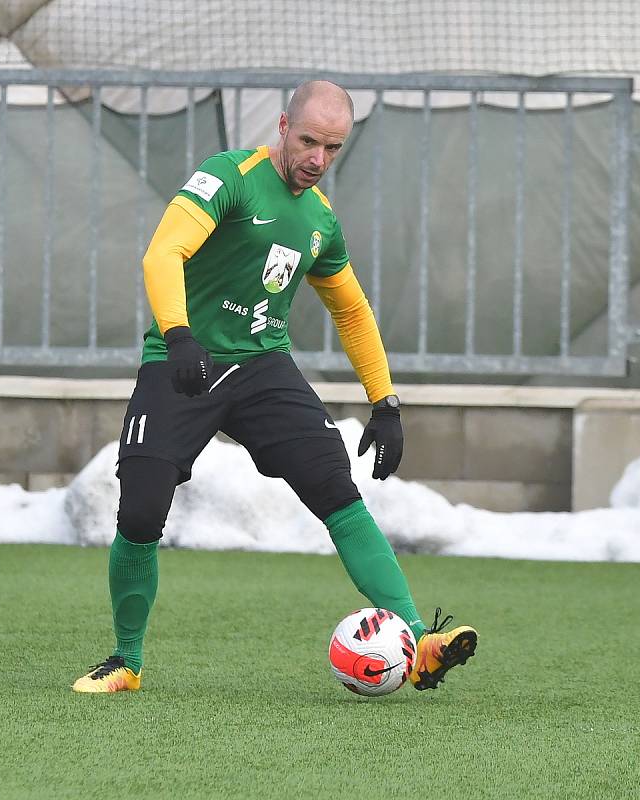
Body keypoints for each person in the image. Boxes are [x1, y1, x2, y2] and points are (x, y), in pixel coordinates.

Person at [72, 80, 477, 694]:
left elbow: (352, 311)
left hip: (264, 368)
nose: (317, 159)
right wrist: (179, 334)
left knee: (337, 491)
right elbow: (163, 253)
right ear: (284, 125)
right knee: (142, 507)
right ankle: (125, 660)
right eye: (309, 140)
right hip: (185, 360)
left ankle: (421, 641)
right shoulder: (229, 176)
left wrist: (385, 400)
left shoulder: (319, 221)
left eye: (332, 148)